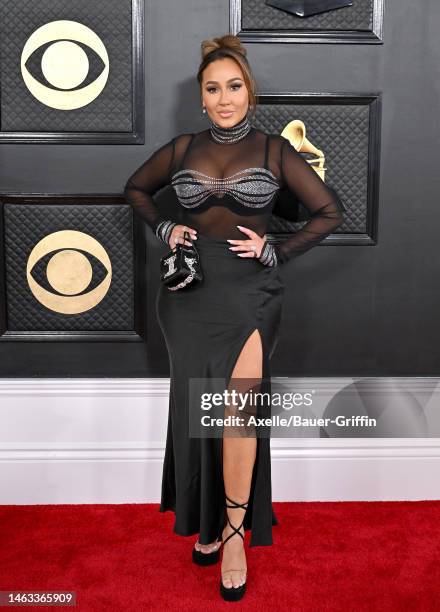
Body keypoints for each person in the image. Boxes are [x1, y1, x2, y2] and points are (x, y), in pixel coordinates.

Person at [124, 34, 343, 602]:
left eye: (234, 87)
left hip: (251, 295)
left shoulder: (274, 152)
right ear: (201, 97)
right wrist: (165, 227)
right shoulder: (181, 149)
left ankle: (236, 531)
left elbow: (328, 211)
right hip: (188, 295)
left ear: (251, 92)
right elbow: (136, 190)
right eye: (213, 89)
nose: (224, 98)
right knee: (198, 405)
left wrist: (278, 250)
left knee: (238, 409)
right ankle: (206, 523)